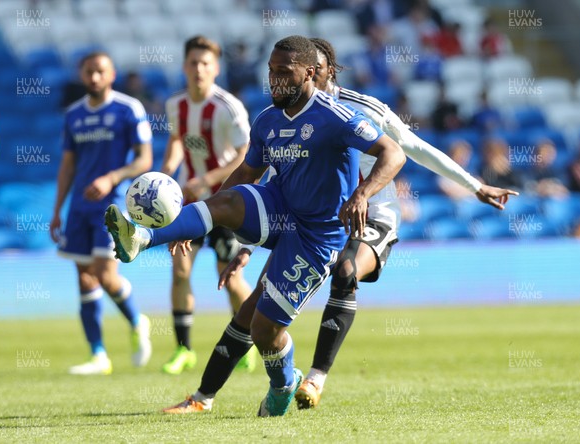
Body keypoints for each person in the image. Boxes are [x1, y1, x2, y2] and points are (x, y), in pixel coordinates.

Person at [105, 35, 407, 416]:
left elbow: (393, 153)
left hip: (316, 236)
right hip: (279, 208)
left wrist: (362, 194)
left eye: (284, 72)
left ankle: (284, 382)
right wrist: (190, 224)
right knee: (229, 198)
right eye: (271, 71)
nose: (274, 80)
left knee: (263, 329)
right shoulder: (267, 120)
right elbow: (247, 173)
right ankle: (143, 235)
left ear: (310, 73)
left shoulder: (335, 116)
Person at [220, 37, 520, 410]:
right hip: (311, 219)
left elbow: (414, 148)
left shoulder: (362, 108)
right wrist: (248, 247)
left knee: (346, 271)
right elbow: (272, 181)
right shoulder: (286, 114)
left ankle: (315, 378)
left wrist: (474, 186)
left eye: (314, 65)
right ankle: (209, 394)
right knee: (254, 308)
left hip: (373, 213)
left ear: (324, 68)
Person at [49, 52, 153, 375]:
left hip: (114, 206)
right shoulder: (73, 115)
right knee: (83, 277)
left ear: (112, 74)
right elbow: (68, 165)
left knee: (106, 275)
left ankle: (138, 321)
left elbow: (144, 160)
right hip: (79, 208)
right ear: (81, 75)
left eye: (100, 71)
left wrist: (112, 177)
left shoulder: (128, 109)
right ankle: (99, 355)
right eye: (89, 72)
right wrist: (57, 210)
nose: (94, 77)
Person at [160, 36, 255, 375]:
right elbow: (176, 142)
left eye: (205, 63)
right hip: (188, 202)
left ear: (215, 68)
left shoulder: (228, 107)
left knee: (229, 278)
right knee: (180, 271)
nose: (199, 69)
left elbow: (247, 156)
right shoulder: (176, 106)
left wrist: (208, 178)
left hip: (226, 203)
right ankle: (183, 349)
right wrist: (166, 173)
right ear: (185, 66)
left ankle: (246, 340)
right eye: (193, 63)